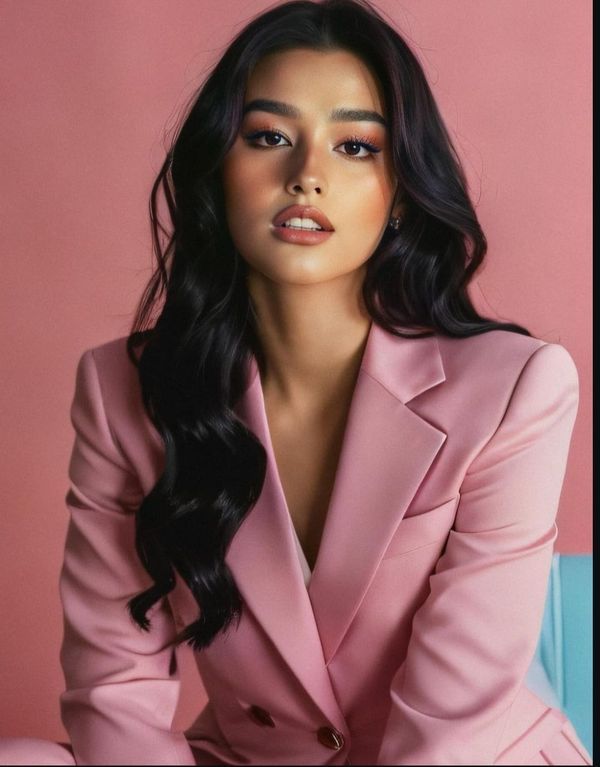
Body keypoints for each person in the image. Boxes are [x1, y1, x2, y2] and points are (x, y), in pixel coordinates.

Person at [0, 0, 591, 764]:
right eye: (269, 136)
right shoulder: (125, 390)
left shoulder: (517, 389)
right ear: (220, 165)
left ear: (403, 192)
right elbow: (114, 681)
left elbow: (450, 729)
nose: (306, 175)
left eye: (354, 146)